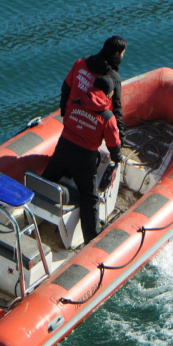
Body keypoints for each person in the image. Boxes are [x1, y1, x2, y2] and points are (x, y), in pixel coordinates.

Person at [43, 76, 121, 244]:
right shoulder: (107, 116)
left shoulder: (77, 102)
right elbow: (113, 142)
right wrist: (117, 158)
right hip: (84, 158)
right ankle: (92, 239)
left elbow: (68, 121)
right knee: (90, 198)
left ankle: (31, 216)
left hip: (63, 149)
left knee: (47, 180)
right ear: (110, 93)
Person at [60, 36, 127, 143]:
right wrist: (121, 138)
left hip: (71, 118)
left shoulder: (81, 62)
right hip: (91, 128)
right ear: (117, 54)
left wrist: (64, 112)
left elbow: (65, 88)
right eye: (123, 53)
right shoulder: (113, 78)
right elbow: (116, 109)